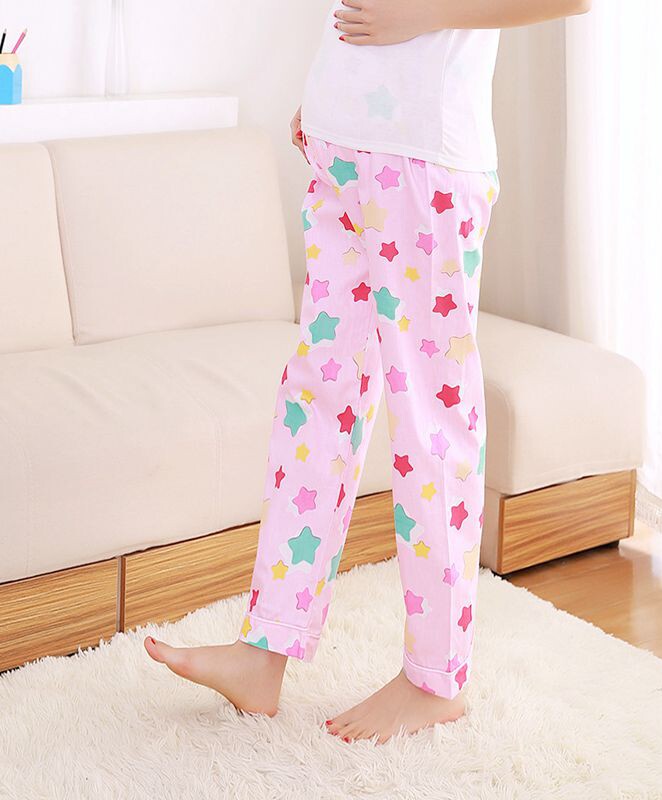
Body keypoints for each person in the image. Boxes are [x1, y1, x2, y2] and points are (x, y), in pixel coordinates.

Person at [145, 0, 591, 745]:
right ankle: (266, 648)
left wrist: (427, 15)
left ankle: (436, 679)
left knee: (430, 423)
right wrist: (331, 97)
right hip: (344, 153)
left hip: (424, 165)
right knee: (317, 399)